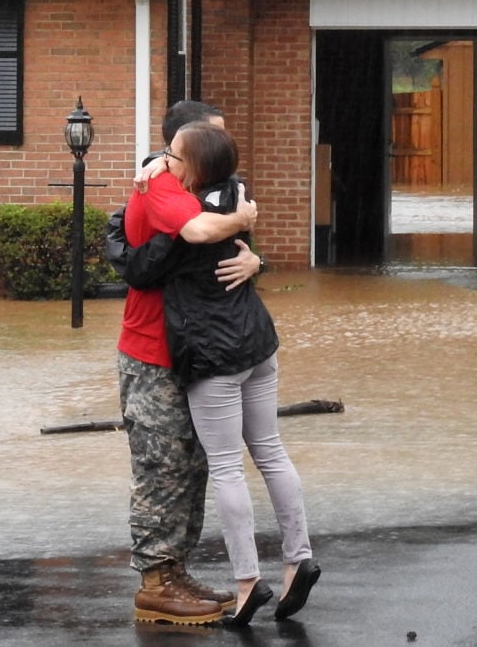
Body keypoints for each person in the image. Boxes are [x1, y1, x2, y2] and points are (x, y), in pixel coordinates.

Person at [131, 121, 320, 627]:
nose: (164, 160)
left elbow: (173, 243)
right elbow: (228, 222)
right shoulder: (240, 192)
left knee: (226, 467)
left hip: (213, 352)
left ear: (192, 167)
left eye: (172, 155)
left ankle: (246, 582)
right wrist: (248, 237)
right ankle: (298, 559)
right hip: (257, 342)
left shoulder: (191, 213)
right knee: (272, 450)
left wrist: (155, 183)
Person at [113, 101, 263, 626]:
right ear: (177, 150)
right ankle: (156, 582)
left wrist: (254, 256)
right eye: (209, 141)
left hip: (194, 349)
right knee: (161, 466)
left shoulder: (203, 189)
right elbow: (200, 234)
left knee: (193, 465)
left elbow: (224, 248)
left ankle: (176, 570)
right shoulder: (160, 187)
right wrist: (242, 217)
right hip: (151, 352)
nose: (223, 154)